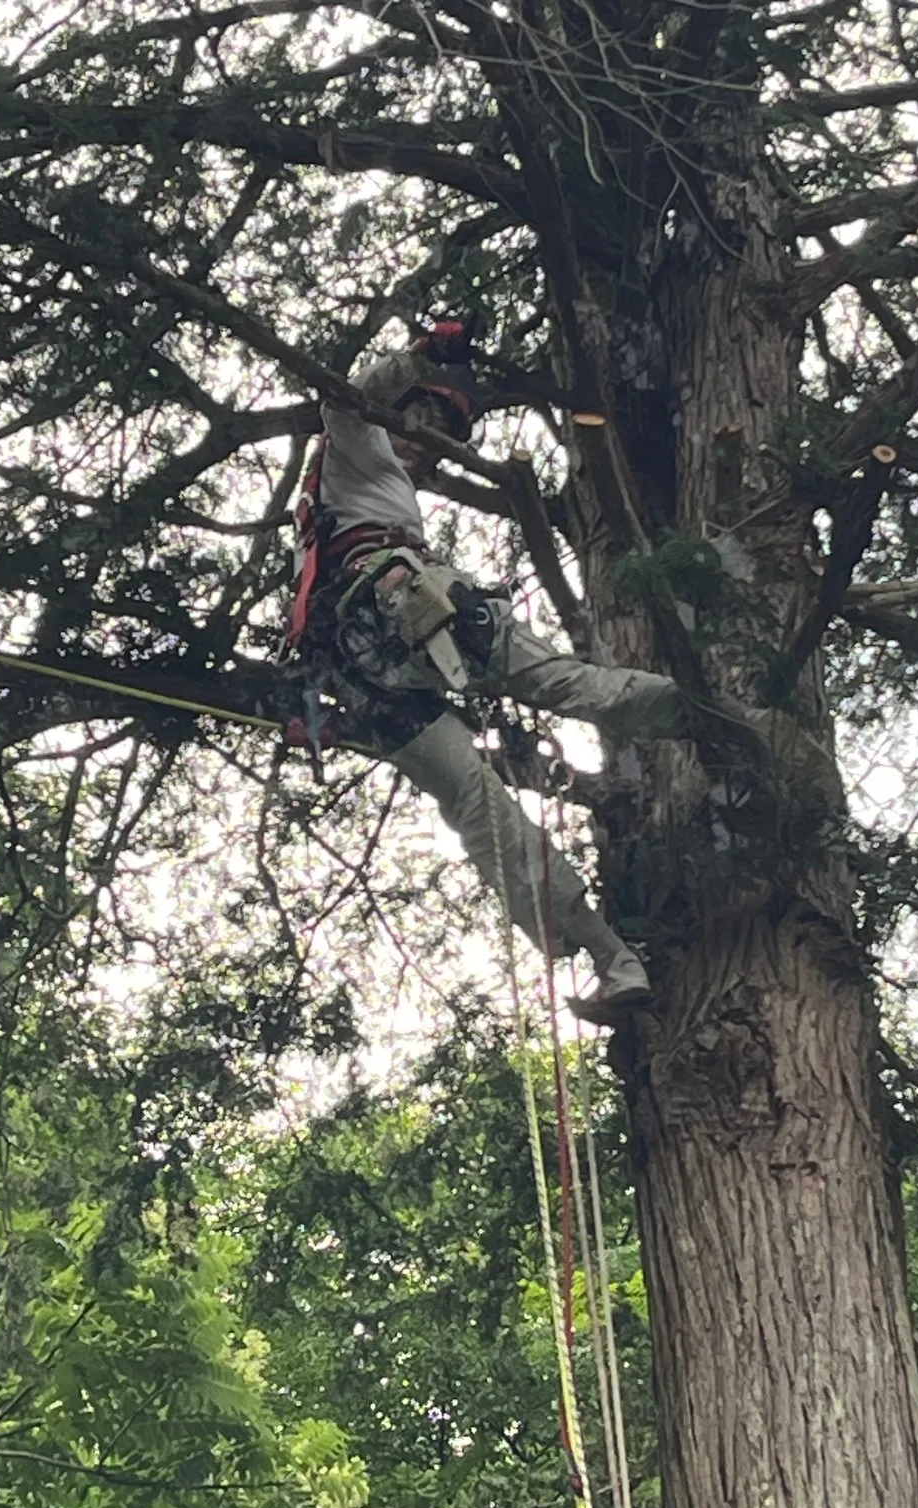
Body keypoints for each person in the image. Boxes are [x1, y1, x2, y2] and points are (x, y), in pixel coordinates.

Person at [288, 324, 696, 1021]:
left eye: (445, 429)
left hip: (374, 654)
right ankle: (605, 947)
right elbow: (348, 401)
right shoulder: (357, 449)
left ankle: (697, 718)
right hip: (390, 624)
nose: (426, 443)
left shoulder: (357, 495)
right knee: (486, 796)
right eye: (423, 420)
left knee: (557, 701)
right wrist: (422, 352)